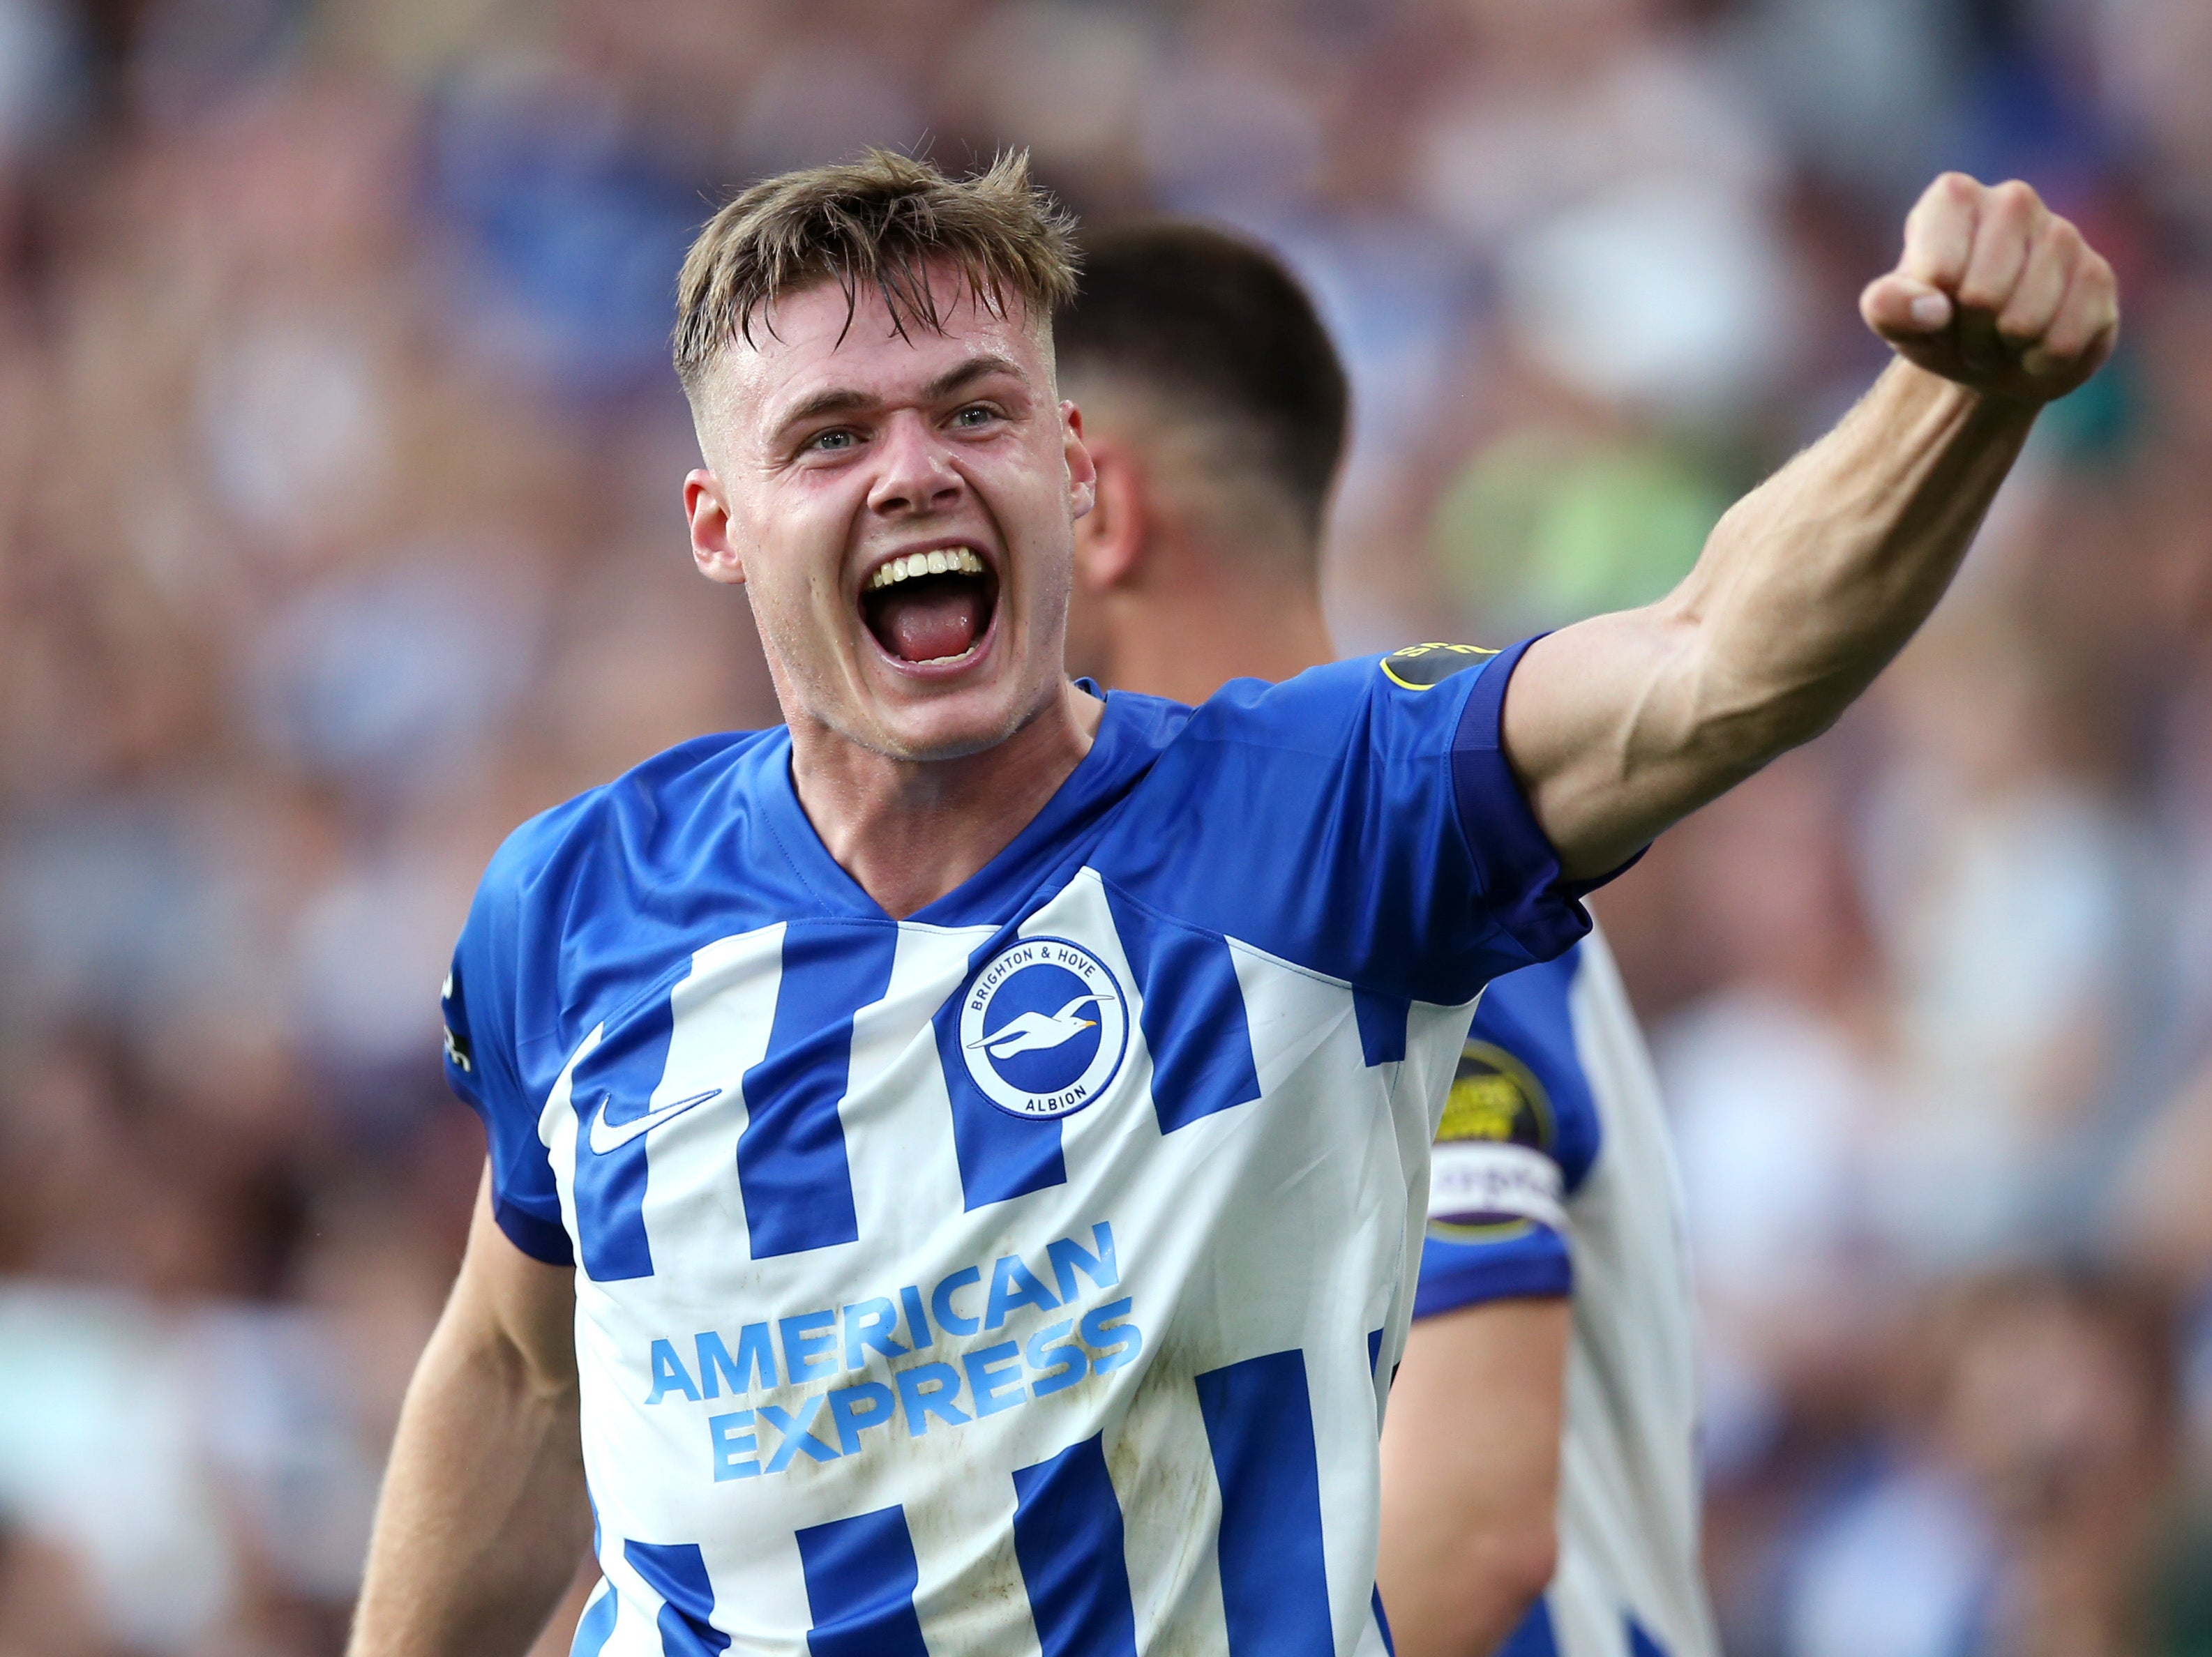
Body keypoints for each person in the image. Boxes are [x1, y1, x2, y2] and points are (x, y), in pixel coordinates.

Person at [348, 149, 2117, 1657]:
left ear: (1067, 465)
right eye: (827, 437)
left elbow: (1714, 660)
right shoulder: (571, 904)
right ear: (717, 522)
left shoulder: (1317, 823)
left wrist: (1953, 403)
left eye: (975, 411)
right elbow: (515, 1373)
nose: (914, 472)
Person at [1056, 222, 1715, 1657]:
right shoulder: (1236, 891)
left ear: (1092, 506)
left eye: (985, 453)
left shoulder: (1401, 870)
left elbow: (1461, 1537)